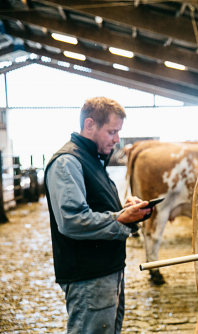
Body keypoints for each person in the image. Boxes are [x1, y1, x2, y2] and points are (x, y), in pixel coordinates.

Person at [45, 97, 152, 334]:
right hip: (88, 278)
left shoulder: (94, 159)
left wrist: (125, 211)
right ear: (90, 124)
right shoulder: (68, 162)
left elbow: (96, 208)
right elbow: (72, 220)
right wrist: (120, 218)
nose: (117, 139)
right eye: (112, 132)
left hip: (106, 272)